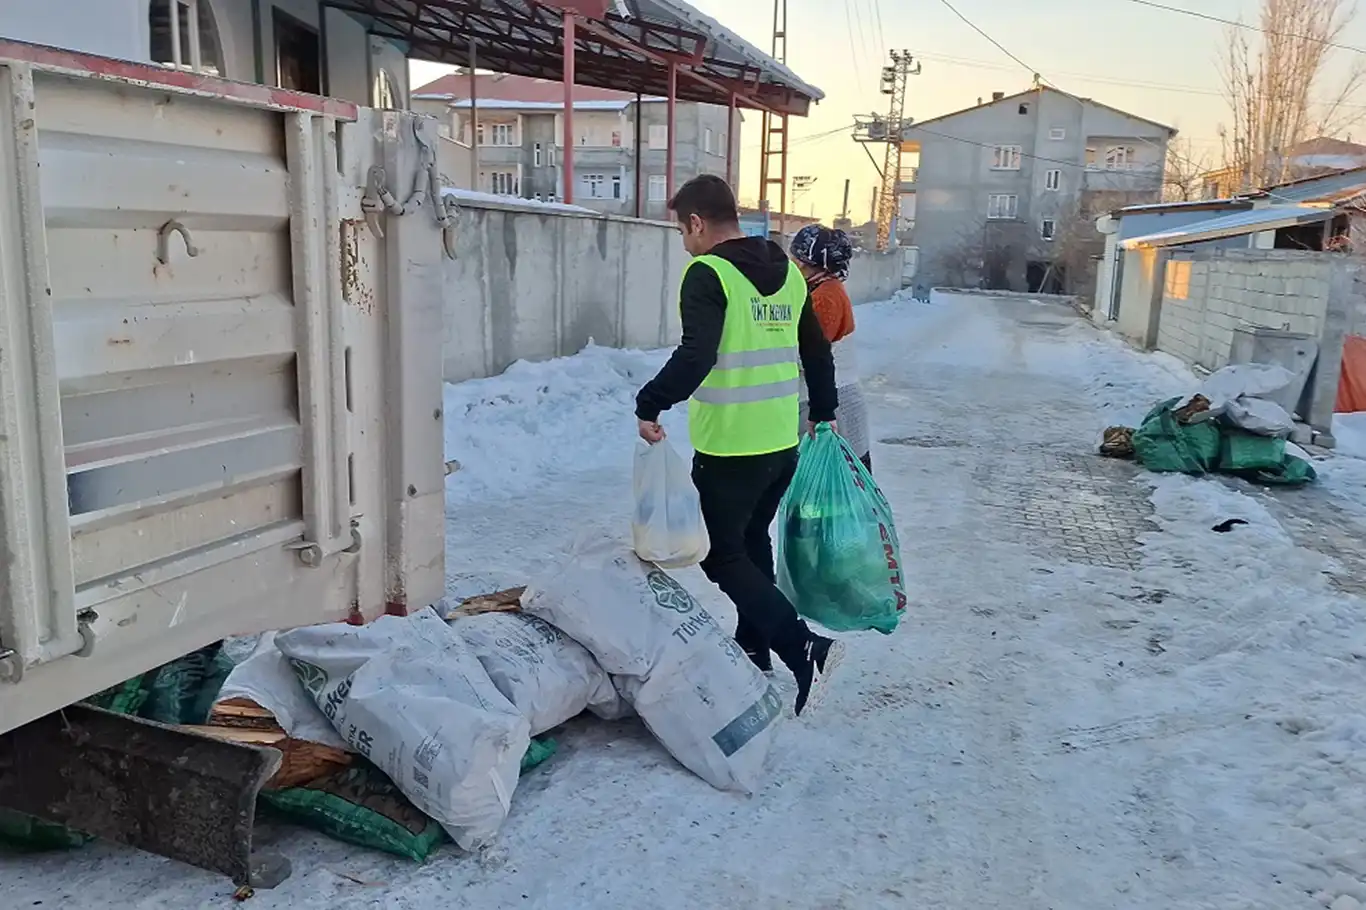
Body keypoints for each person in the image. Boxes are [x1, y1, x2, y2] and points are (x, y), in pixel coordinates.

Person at [635, 175, 845, 716]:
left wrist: (650, 402)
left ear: (698, 223)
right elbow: (817, 352)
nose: (684, 241)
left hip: (731, 447)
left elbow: (695, 355)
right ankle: (754, 645)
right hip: (780, 443)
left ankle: (804, 647)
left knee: (720, 555)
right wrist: (824, 413)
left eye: (683, 230)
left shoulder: (707, 272)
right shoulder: (787, 272)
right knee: (751, 542)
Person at [789, 224, 872, 473]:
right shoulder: (820, 289)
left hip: (833, 405)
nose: (791, 261)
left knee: (834, 485)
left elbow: (810, 354)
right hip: (828, 400)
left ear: (806, 260)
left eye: (795, 256)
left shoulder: (825, 297)